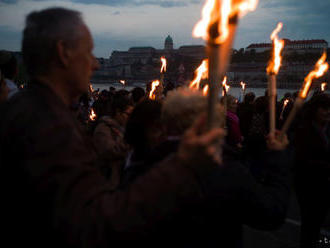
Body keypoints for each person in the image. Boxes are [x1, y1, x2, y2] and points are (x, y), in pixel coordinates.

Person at [0, 7, 224, 247]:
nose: (96, 64)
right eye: (89, 53)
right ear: (63, 53)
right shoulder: (47, 127)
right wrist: (182, 165)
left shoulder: (26, 110)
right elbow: (96, 225)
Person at [294, 93, 330, 248]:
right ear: (315, 109)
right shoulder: (304, 130)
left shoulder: (327, 129)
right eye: (324, 109)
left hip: (324, 184)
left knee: (318, 220)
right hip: (308, 185)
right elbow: (301, 160)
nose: (328, 112)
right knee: (310, 222)